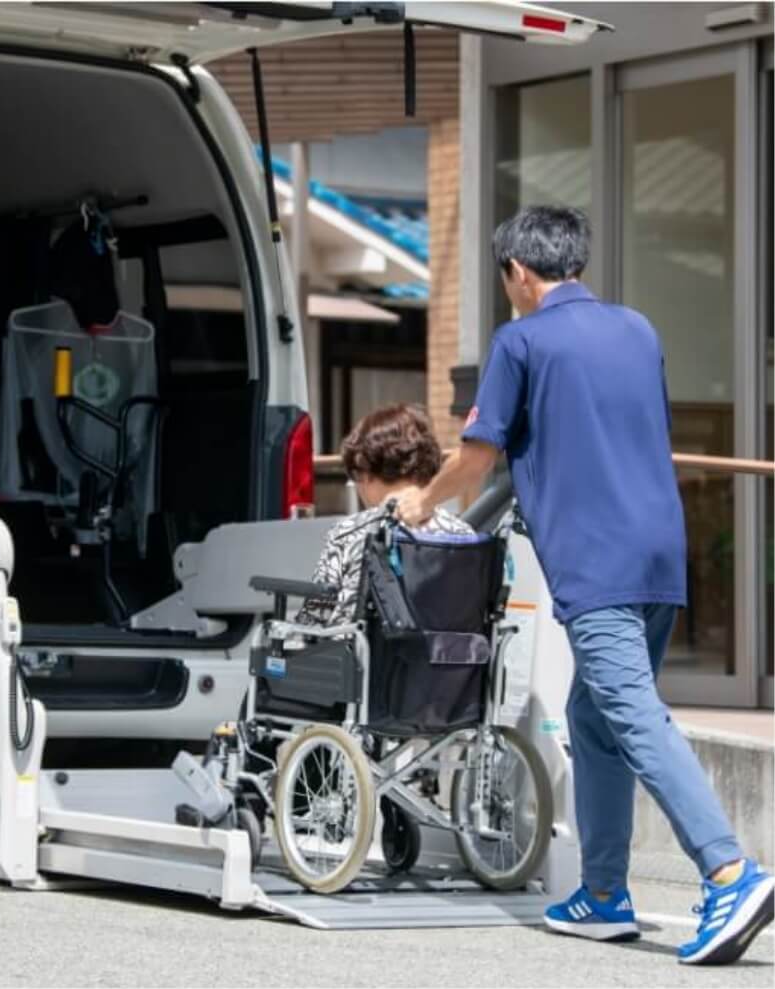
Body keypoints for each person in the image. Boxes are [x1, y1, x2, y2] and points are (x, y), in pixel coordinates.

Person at [393, 205, 773, 965]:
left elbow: (475, 456)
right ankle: (603, 894)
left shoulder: (520, 339)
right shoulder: (636, 329)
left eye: (505, 278)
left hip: (594, 561)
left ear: (517, 272)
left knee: (630, 712)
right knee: (593, 715)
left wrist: (419, 502)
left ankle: (729, 870)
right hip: (660, 554)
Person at [295, 403, 472, 630]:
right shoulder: (462, 535)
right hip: (447, 660)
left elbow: (314, 618)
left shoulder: (351, 531)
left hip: (359, 659)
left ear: (363, 468)